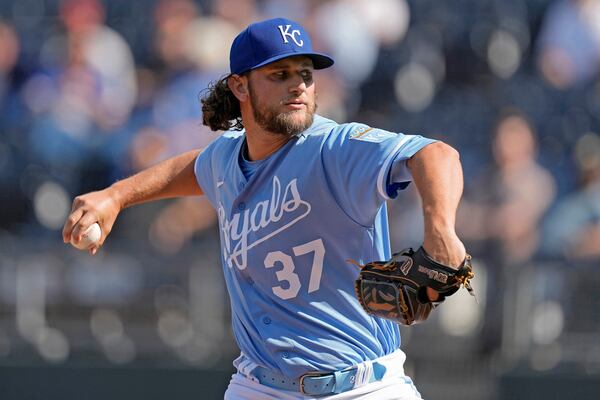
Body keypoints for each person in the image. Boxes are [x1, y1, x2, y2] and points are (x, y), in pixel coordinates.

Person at [63, 18, 467, 399]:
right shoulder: (226, 157)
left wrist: (440, 230)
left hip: (363, 386)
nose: (298, 87)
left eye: (305, 75)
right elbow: (192, 168)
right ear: (240, 86)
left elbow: (435, 154)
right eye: (280, 75)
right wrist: (117, 196)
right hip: (259, 386)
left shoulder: (335, 148)